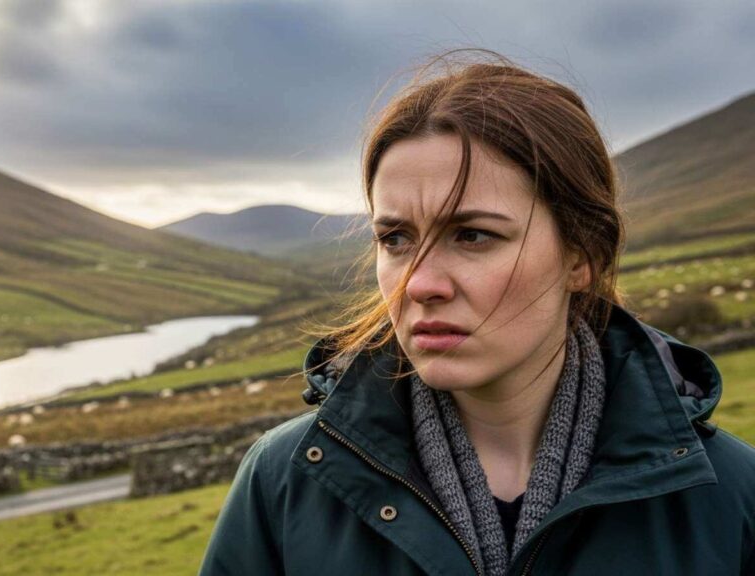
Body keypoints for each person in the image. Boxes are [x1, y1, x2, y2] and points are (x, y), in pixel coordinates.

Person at [198, 50, 755, 576]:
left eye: (473, 235)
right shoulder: (283, 482)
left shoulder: (731, 498)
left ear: (581, 255)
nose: (419, 284)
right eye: (394, 239)